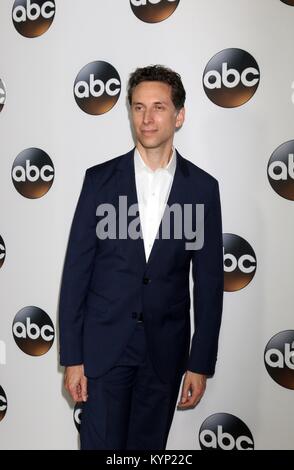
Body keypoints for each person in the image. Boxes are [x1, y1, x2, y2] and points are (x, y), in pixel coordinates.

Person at [59, 65, 224, 450]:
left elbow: (210, 283)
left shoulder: (202, 188)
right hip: (104, 350)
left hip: (164, 353)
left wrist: (200, 363)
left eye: (159, 107)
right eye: (137, 108)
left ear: (179, 115)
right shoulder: (99, 181)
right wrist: (73, 356)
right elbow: (76, 273)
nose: (147, 118)